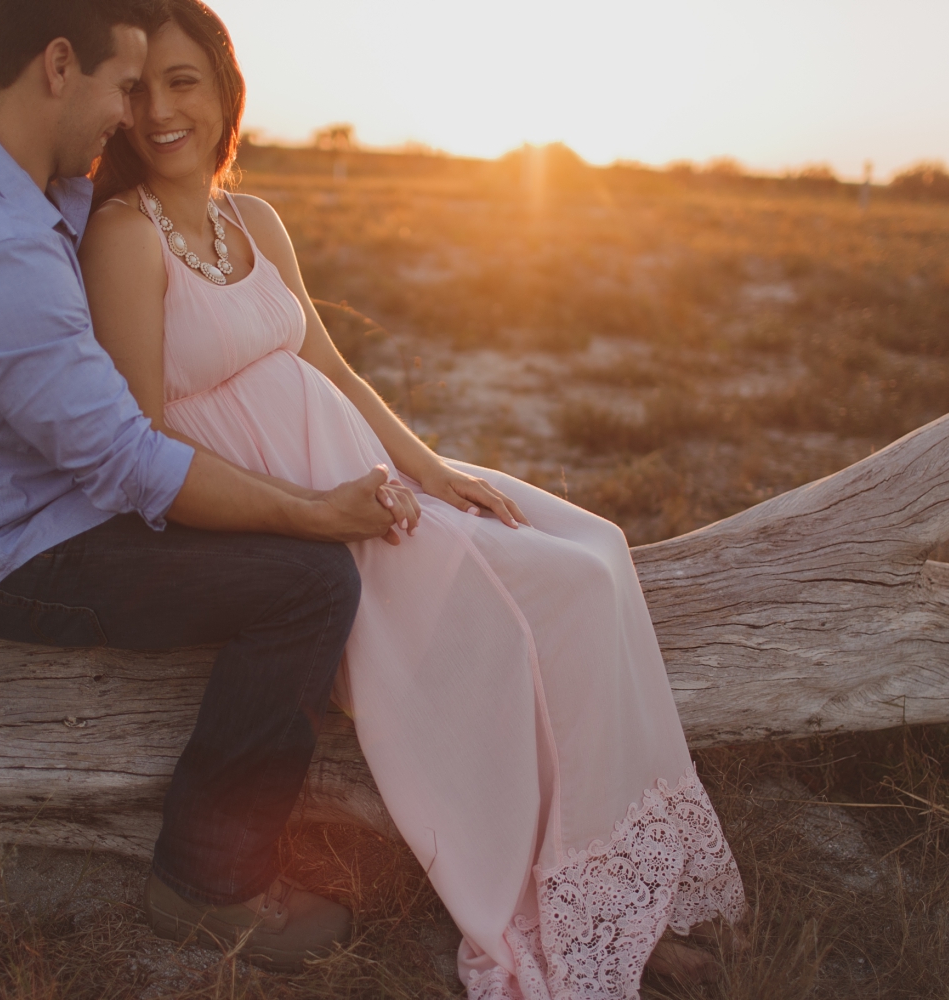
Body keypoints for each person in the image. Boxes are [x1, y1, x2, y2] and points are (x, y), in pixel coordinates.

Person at [77, 2, 749, 997]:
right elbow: (144, 436)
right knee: (553, 601)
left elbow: (331, 368)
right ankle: (570, 916)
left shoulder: (250, 218)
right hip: (289, 512)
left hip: (367, 482)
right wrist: (310, 512)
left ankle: (614, 894)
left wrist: (432, 468)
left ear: (225, 93)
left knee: (597, 548)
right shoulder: (122, 238)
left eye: (184, 82)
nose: (161, 109)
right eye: (138, 89)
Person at [0, 0, 427, 972]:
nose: (129, 113)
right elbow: (129, 462)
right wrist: (313, 513)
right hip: (1, 548)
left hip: (30, 499)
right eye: (124, 84)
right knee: (308, 583)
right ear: (58, 65)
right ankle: (210, 880)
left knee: (294, 555)